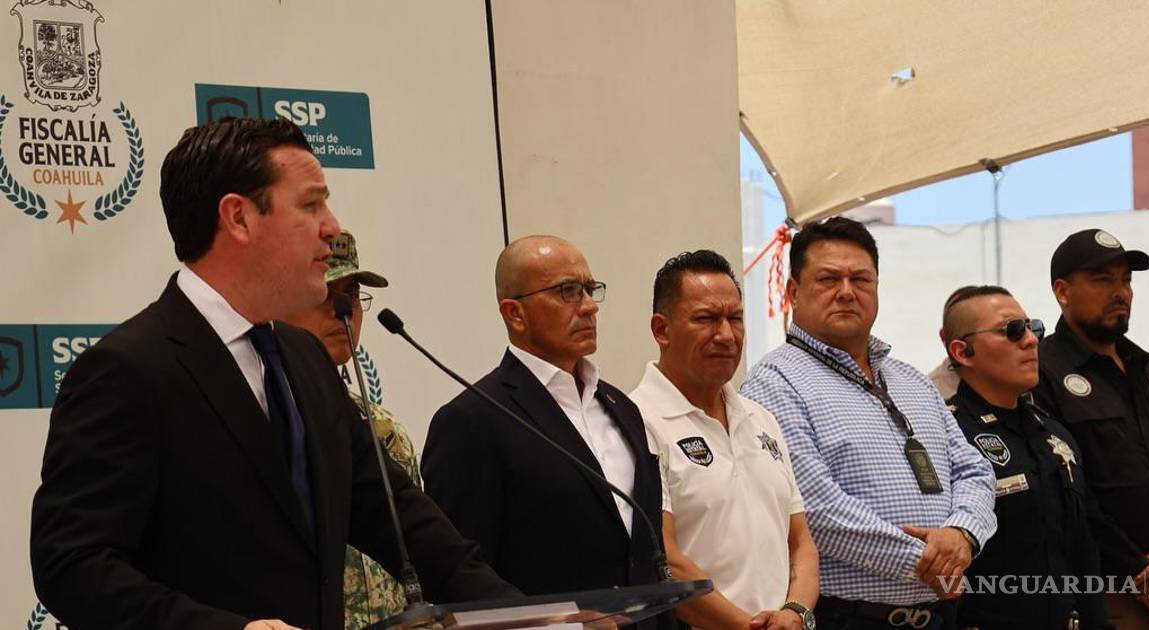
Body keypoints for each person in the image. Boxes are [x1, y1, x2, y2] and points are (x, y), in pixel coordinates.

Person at [30, 117, 517, 630]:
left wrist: (526, 615)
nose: (332, 227)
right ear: (238, 218)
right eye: (310, 205)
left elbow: (400, 520)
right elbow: (73, 566)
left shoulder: (305, 358)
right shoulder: (128, 370)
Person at [740, 217, 997, 630]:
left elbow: (974, 470)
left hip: (941, 616)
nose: (846, 291)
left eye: (861, 279)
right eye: (828, 279)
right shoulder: (773, 383)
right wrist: (929, 560)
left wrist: (962, 534)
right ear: (793, 293)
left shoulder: (912, 380)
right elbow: (815, 508)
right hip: (846, 617)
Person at [421, 235, 670, 628]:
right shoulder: (472, 420)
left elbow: (645, 552)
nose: (589, 306)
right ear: (515, 314)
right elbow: (457, 577)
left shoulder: (623, 408)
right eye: (567, 291)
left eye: (590, 289)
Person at [630, 250, 820, 630]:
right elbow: (664, 561)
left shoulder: (761, 418)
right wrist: (750, 627)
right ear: (661, 330)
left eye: (735, 318)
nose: (726, 335)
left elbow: (801, 543)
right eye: (706, 319)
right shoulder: (637, 422)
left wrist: (795, 614)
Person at [1035, 229, 1149, 630]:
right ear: (1062, 291)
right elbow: (1067, 492)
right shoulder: (1040, 372)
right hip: (1102, 597)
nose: (1120, 292)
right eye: (1102, 279)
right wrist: (1141, 572)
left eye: (1126, 280)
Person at [941, 285, 1106, 629]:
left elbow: (1084, 550)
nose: (1031, 341)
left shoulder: (1055, 435)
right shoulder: (947, 436)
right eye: (1012, 330)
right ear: (963, 352)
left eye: (1034, 328)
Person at [281, 229, 422, 630]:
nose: (342, 310)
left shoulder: (386, 430)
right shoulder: (269, 422)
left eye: (352, 294)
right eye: (325, 294)